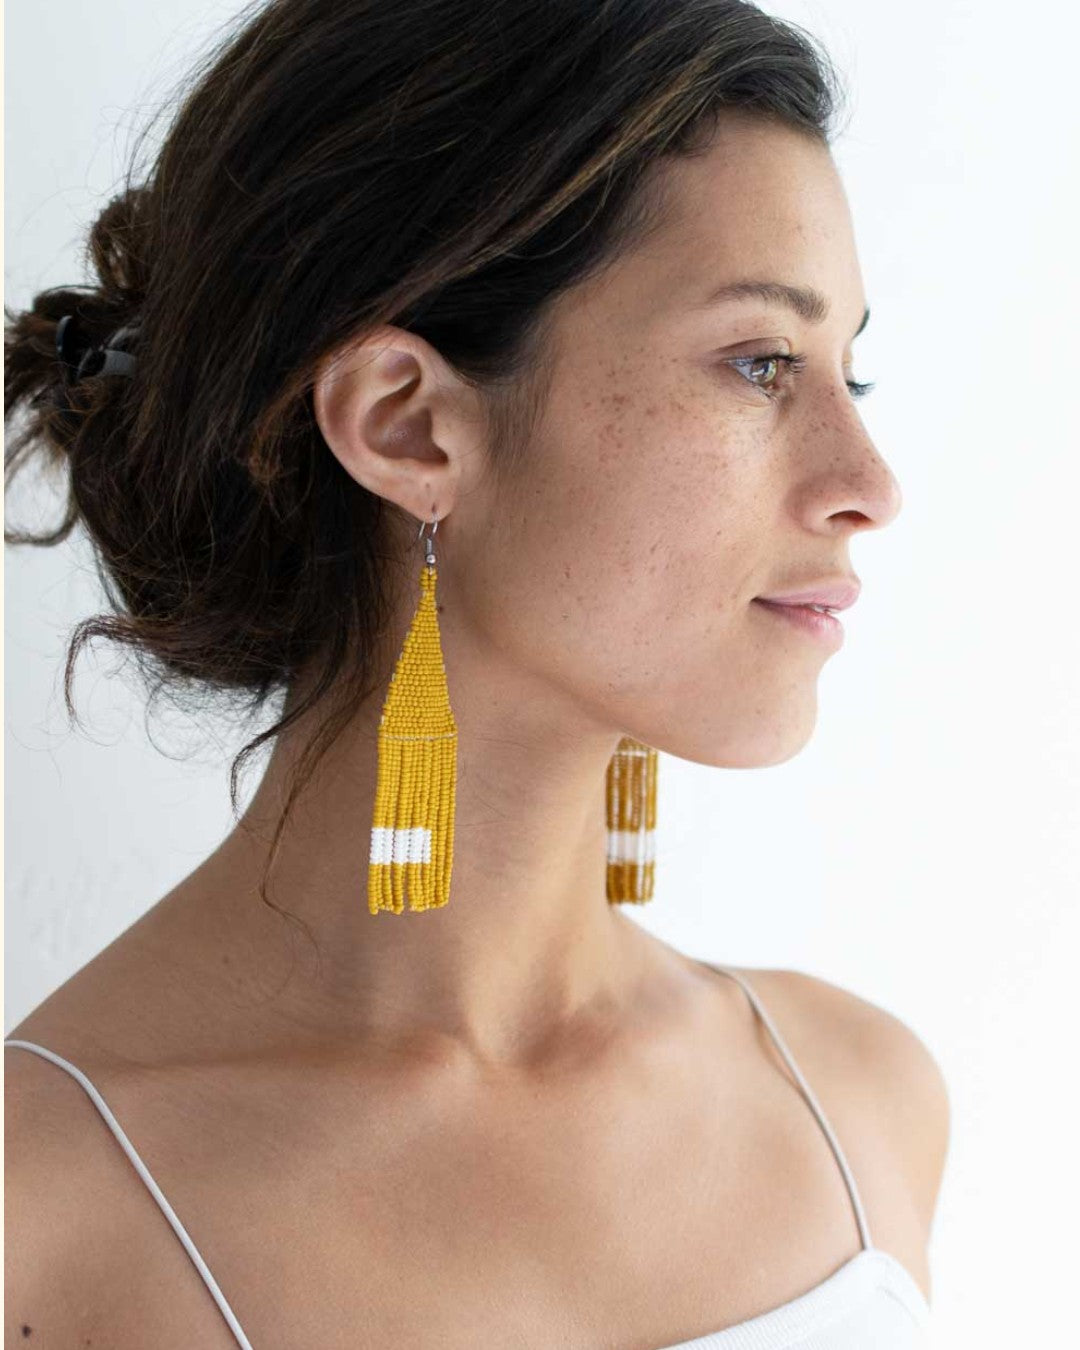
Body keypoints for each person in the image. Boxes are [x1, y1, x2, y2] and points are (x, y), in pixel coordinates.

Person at [4, 0, 949, 1345]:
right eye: (761, 363)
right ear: (408, 425)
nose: (869, 483)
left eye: (853, 370)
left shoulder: (866, 1103)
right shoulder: (38, 1223)